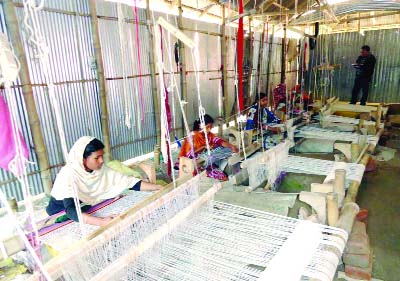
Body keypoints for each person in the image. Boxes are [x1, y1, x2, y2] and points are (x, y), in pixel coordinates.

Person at [46, 136, 161, 226]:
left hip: (84, 207)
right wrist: (101, 222)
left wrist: (158, 188)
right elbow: (70, 210)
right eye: (97, 158)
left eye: (102, 156)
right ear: (83, 159)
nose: (101, 161)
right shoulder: (69, 175)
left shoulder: (100, 170)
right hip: (61, 214)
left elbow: (129, 182)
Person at [177, 114, 238, 180]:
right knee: (219, 176)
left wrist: (231, 146)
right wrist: (204, 147)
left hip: (205, 162)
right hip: (194, 164)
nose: (209, 129)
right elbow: (189, 154)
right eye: (208, 127)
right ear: (200, 125)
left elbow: (219, 141)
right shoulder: (192, 137)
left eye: (210, 127)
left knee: (223, 177)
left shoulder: (209, 135)